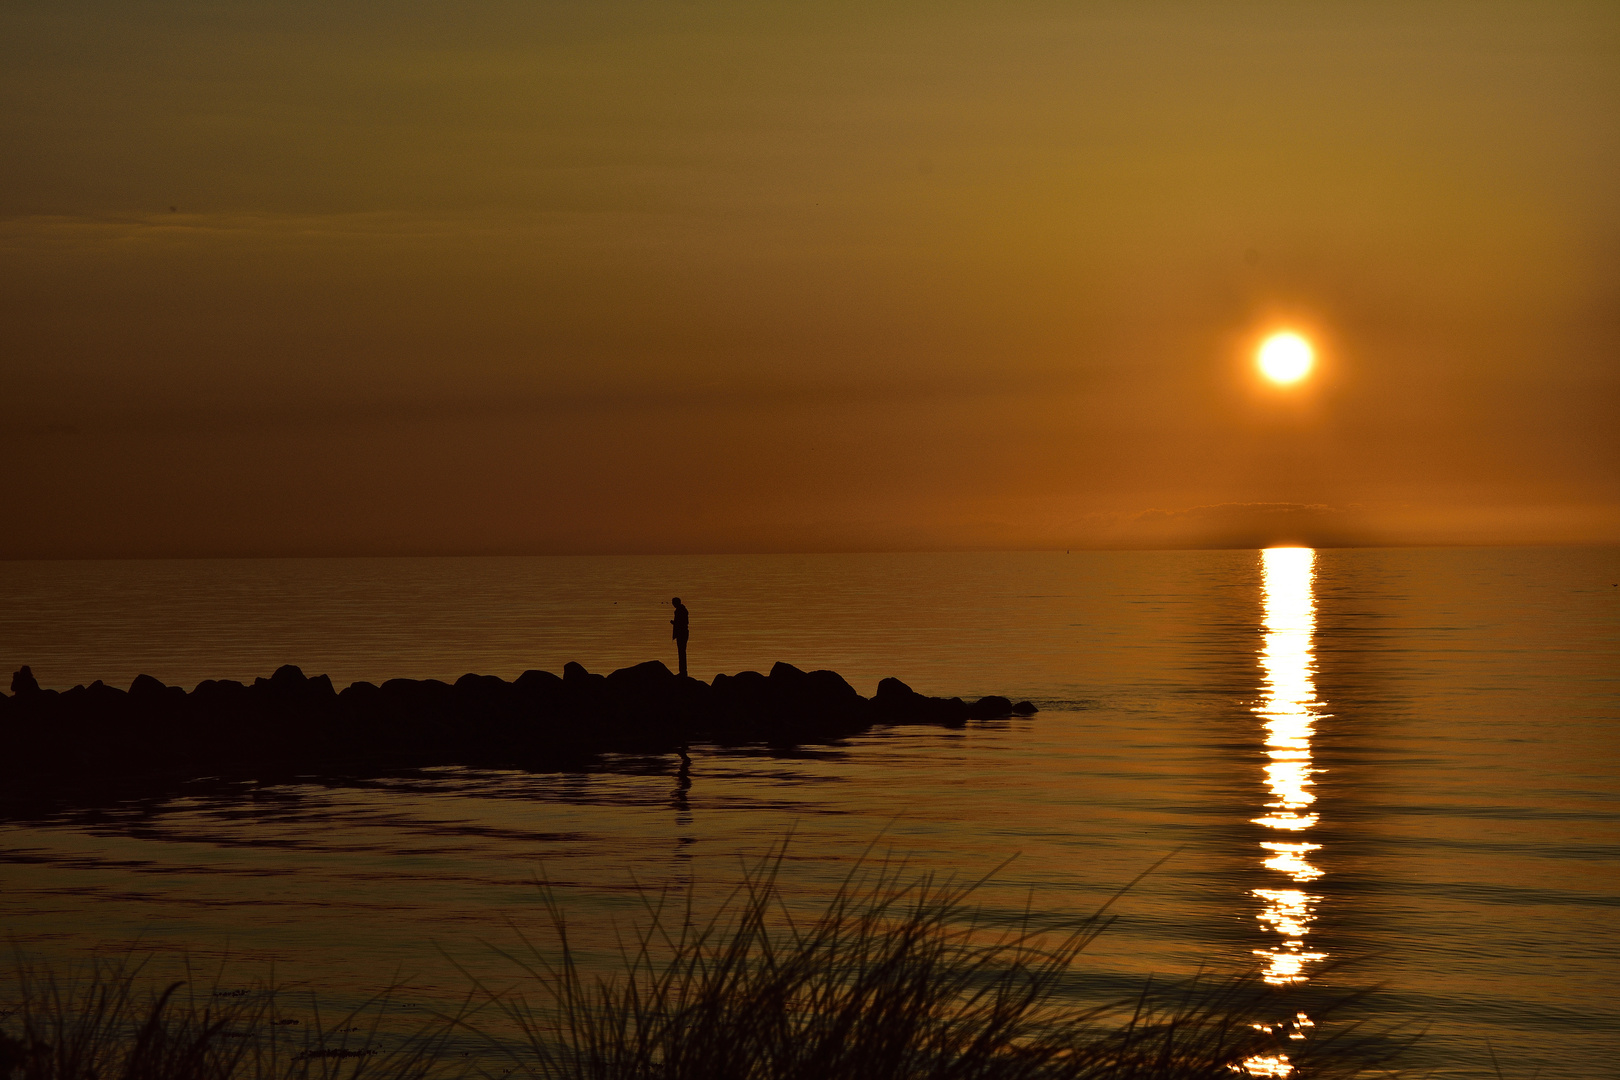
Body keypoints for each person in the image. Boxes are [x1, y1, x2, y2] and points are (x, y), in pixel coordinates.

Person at [670, 597, 689, 677]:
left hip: (682, 634)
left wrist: (674, 623)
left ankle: (683, 671)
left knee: (681, 653)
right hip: (683, 633)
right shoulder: (682, 610)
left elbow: (684, 623)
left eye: (673, 603)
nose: (673, 604)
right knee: (682, 652)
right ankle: (683, 671)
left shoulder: (680, 611)